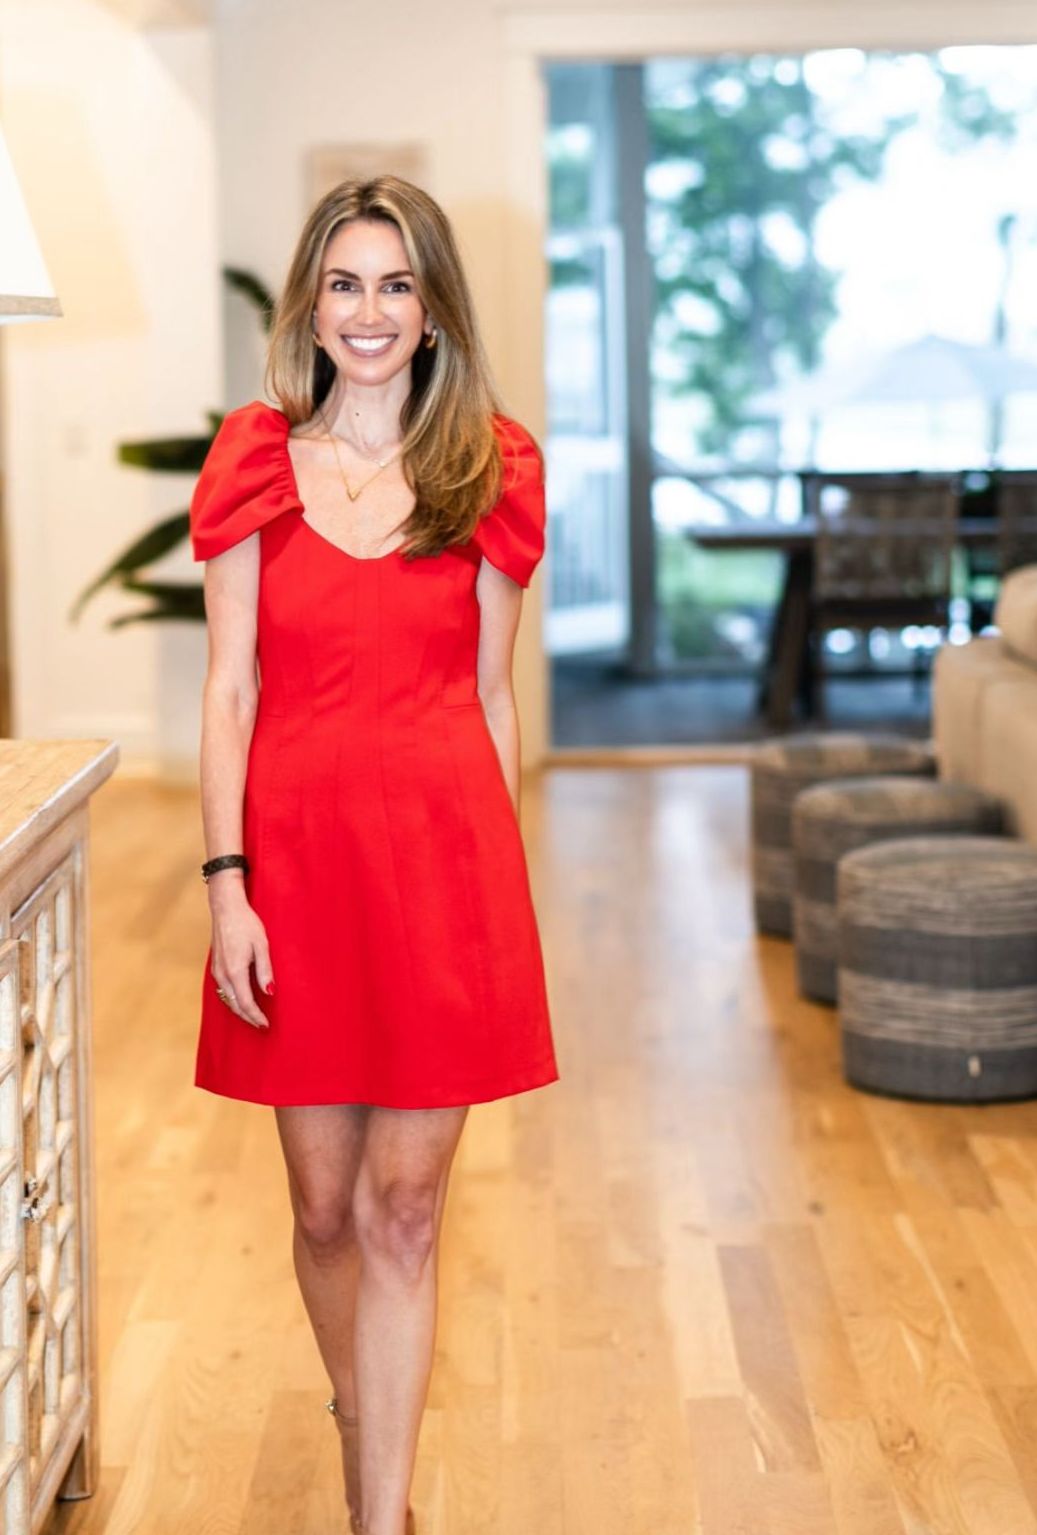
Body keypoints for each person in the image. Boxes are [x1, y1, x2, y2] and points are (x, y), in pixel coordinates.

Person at [188, 175, 560, 1535]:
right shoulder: (249, 460)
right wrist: (225, 885)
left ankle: (378, 1515)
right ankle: (364, 1418)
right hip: (288, 867)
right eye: (344, 283)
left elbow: (494, 699)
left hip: (442, 862)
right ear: (310, 303)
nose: (368, 311)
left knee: (407, 1206)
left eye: (395, 285)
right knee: (325, 1205)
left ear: (432, 308)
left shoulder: (491, 466)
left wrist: (497, 893)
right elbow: (229, 695)